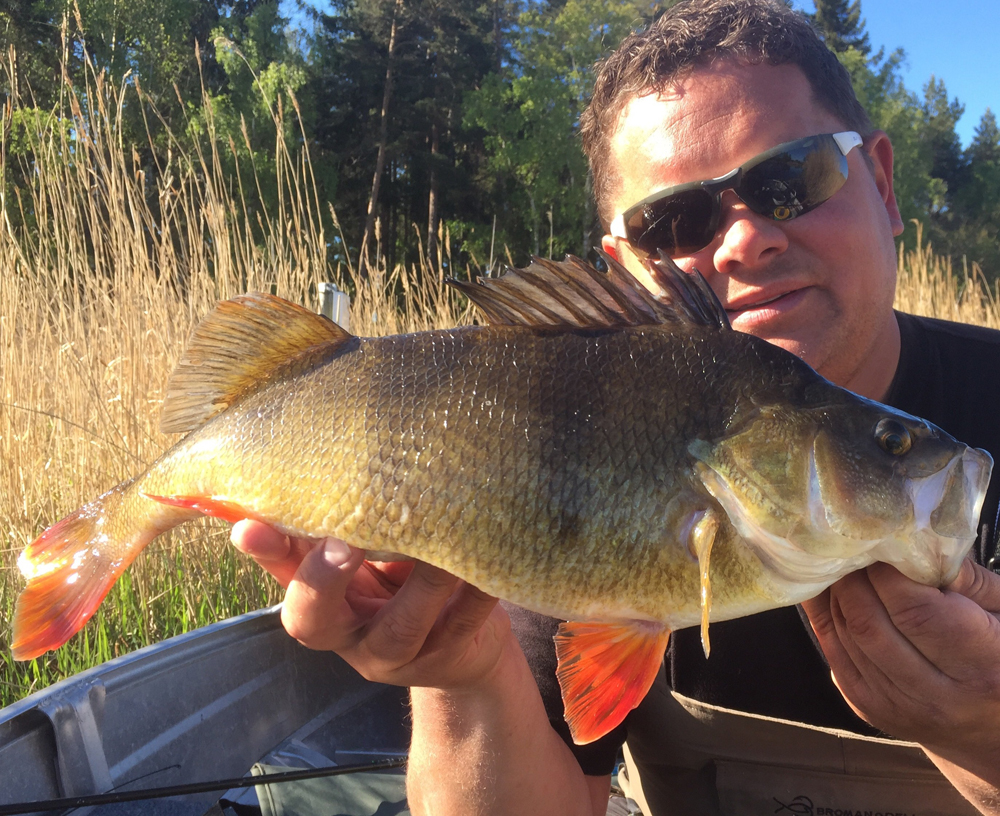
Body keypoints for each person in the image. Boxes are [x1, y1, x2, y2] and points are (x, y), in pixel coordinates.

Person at [232, 1, 1000, 813]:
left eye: (791, 179)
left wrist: (986, 739)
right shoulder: (568, 426)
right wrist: (467, 674)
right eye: (675, 221)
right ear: (625, 268)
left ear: (882, 184)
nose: (745, 241)